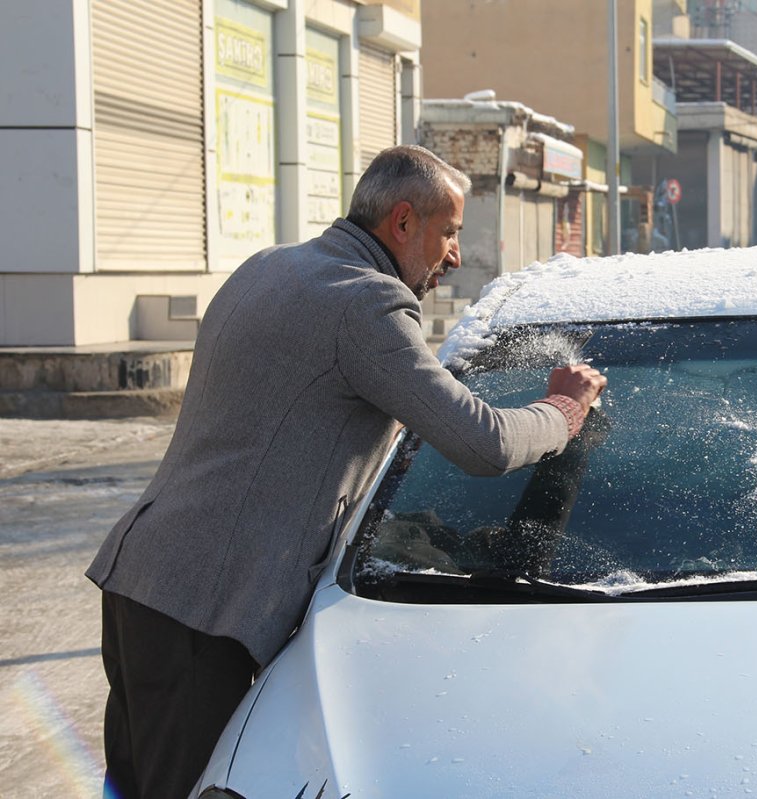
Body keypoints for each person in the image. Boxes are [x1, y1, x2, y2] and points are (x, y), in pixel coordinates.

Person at [85, 145, 607, 799]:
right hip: (206, 610)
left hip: (141, 578)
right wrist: (563, 410)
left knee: (133, 785)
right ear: (403, 222)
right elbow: (484, 443)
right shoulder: (366, 306)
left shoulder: (272, 265)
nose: (452, 255)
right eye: (448, 232)